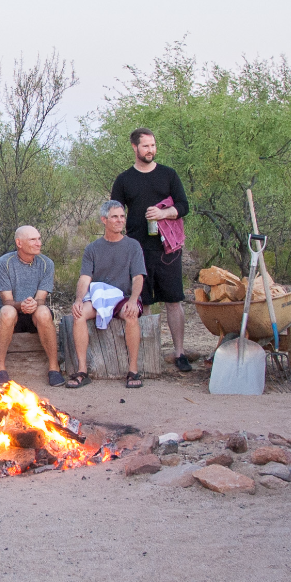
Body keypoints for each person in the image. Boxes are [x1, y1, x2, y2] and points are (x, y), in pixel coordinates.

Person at [110, 127, 192, 372]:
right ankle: (143, 356)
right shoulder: (124, 180)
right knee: (140, 302)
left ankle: (180, 353)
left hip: (168, 249)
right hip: (137, 250)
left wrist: (164, 213)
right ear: (134, 148)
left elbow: (184, 206)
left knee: (173, 300)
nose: (150, 150)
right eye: (145, 146)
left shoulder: (168, 175)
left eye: (153, 145)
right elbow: (115, 210)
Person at [68, 201, 146, 389]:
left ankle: (133, 370)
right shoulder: (92, 248)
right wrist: (79, 299)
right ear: (104, 220)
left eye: (122, 216)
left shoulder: (133, 246)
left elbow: (138, 277)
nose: (120, 220)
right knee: (78, 315)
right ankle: (82, 370)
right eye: (114, 217)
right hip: (99, 296)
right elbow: (85, 278)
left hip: (123, 297)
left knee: (131, 314)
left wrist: (134, 300)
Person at [0, 225, 64, 387]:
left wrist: (33, 304)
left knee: (44, 312)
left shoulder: (47, 264)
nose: (38, 243)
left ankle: (54, 368)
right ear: (19, 243)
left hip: (34, 314)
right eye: (33, 239)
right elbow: (7, 300)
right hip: (11, 314)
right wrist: (22, 304)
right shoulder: (4, 263)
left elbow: (41, 299)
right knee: (8, 312)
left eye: (39, 239)